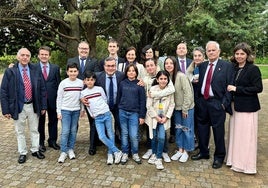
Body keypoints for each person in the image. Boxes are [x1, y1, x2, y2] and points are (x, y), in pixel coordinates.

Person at [191, 41, 234, 169]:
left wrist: (224, 104)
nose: (211, 52)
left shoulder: (227, 66)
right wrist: (198, 100)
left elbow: (229, 86)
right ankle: (204, 152)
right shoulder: (203, 66)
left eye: (213, 50)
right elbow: (199, 82)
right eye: (208, 51)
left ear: (218, 51)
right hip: (203, 102)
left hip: (217, 103)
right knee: (202, 129)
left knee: (218, 131)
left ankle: (219, 156)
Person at [1, 48, 47, 164]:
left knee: (34, 130)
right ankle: (22, 152)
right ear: (18, 57)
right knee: (19, 131)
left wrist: (43, 106)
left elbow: (42, 89)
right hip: (18, 106)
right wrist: (5, 110)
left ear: (30, 57)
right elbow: (4, 91)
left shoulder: (36, 70)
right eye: (22, 55)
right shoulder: (10, 71)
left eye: (27, 55)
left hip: (33, 105)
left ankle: (35, 150)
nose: (25, 57)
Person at [226, 42, 263, 174]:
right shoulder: (234, 68)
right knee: (236, 135)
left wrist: (237, 89)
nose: (239, 56)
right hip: (235, 107)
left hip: (248, 109)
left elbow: (258, 88)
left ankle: (245, 165)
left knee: (246, 137)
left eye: (242, 54)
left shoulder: (253, 69)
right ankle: (233, 160)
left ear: (247, 55)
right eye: (237, 53)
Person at [81, 71, 123, 165]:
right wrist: (92, 114)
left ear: (95, 80)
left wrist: (105, 108)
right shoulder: (83, 93)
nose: (90, 82)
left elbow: (105, 99)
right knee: (101, 136)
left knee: (110, 134)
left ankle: (110, 154)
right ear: (84, 81)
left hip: (106, 114)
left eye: (92, 80)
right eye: (88, 80)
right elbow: (87, 105)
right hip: (97, 117)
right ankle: (117, 151)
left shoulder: (99, 89)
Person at [67, 41, 99, 156]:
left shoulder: (94, 62)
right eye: (82, 48)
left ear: (89, 50)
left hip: (89, 96)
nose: (84, 50)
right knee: (73, 123)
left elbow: (95, 78)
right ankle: (70, 146)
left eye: (86, 49)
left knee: (93, 121)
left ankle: (93, 145)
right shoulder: (71, 61)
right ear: (78, 49)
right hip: (74, 97)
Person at [141, 58, 175, 163]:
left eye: (152, 65)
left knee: (162, 134)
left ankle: (162, 152)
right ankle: (153, 151)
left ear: (156, 66)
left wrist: (154, 94)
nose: (150, 67)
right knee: (152, 133)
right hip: (151, 111)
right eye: (148, 66)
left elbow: (171, 92)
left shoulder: (164, 78)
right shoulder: (144, 79)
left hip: (163, 112)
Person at [164, 56, 195, 163]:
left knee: (186, 129)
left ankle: (186, 151)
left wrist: (185, 109)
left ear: (175, 64)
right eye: (166, 63)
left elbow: (188, 93)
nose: (168, 65)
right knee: (178, 128)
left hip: (186, 108)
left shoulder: (181, 76)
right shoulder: (167, 76)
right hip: (176, 109)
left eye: (171, 63)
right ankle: (180, 149)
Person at [118, 64, 146, 165]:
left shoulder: (139, 84)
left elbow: (143, 101)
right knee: (124, 134)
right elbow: (119, 97)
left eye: (133, 71)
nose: (131, 72)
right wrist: (119, 108)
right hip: (123, 112)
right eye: (129, 71)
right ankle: (125, 152)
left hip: (134, 113)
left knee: (134, 135)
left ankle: (135, 153)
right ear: (126, 72)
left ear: (136, 73)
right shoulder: (122, 83)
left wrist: (142, 116)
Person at [56, 63, 84, 163]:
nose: (73, 73)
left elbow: (82, 98)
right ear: (67, 72)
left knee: (73, 131)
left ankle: (70, 149)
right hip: (65, 110)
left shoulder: (81, 83)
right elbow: (59, 98)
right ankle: (63, 151)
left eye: (75, 71)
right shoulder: (63, 83)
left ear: (78, 72)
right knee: (65, 131)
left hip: (76, 111)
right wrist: (58, 111)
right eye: (71, 71)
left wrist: (82, 109)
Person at [95, 57, 125, 145]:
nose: (110, 68)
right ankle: (95, 144)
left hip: (117, 105)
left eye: (112, 66)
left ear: (116, 66)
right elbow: (88, 84)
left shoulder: (122, 75)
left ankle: (124, 146)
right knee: (101, 126)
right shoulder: (97, 76)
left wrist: (140, 82)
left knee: (121, 125)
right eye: (108, 66)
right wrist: (83, 97)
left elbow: (131, 80)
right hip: (104, 106)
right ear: (104, 66)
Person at [37, 46, 61, 152]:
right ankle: (40, 142)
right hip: (39, 99)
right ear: (38, 56)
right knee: (40, 122)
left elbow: (58, 84)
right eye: (42, 54)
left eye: (46, 54)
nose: (44, 56)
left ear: (49, 56)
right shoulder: (33, 67)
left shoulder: (55, 68)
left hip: (52, 99)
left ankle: (52, 141)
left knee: (53, 120)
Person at [186, 47, 206, 149]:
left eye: (199, 55)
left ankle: (204, 145)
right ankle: (198, 141)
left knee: (203, 123)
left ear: (203, 57)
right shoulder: (191, 68)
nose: (197, 58)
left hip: (203, 99)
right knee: (195, 122)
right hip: (193, 99)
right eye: (195, 56)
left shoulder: (206, 67)